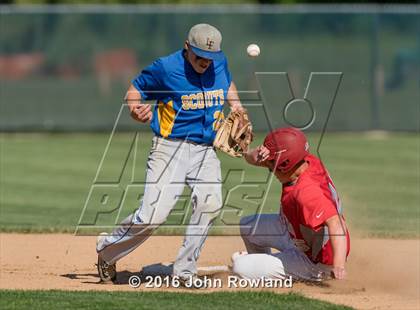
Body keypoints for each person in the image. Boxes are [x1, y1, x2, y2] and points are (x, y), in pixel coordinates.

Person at [96, 23, 244, 284]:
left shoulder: (218, 62)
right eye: (200, 56)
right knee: (153, 216)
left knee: (210, 204)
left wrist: (237, 106)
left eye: (210, 57)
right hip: (169, 147)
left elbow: (227, 81)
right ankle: (108, 250)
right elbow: (135, 89)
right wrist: (135, 108)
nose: (205, 62)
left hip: (205, 149)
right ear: (187, 48)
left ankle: (185, 271)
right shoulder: (166, 68)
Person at [232, 127, 350, 281]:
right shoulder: (304, 160)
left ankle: (284, 270)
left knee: (240, 267)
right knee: (248, 226)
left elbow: (336, 223)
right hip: (297, 234)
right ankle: (265, 266)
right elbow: (255, 159)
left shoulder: (307, 192)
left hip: (314, 260)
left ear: (284, 163)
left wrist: (339, 265)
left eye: (272, 162)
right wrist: (246, 150)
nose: (269, 166)